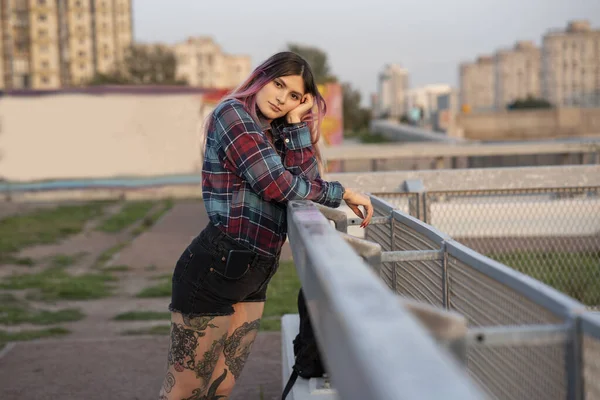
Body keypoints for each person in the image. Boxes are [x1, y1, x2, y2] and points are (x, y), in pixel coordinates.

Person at [159, 51, 373, 399]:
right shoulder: (233, 115)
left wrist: (294, 124)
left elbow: (303, 184)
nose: (281, 98)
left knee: (221, 388)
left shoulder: (273, 130)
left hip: (254, 273)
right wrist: (341, 193)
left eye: (293, 96)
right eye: (278, 85)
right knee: (185, 391)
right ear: (261, 77)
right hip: (215, 266)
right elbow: (276, 184)